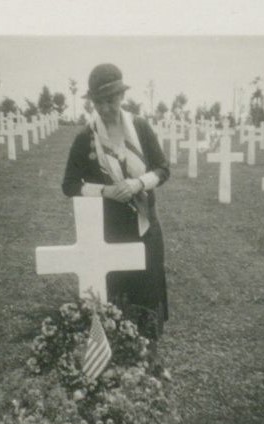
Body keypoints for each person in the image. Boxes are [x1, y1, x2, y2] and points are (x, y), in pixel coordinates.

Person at [62, 63, 170, 353]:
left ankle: (147, 349)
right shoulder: (85, 138)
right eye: (100, 102)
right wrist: (105, 191)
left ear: (122, 96)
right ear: (92, 102)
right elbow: (69, 185)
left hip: (144, 226)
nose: (107, 108)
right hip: (109, 231)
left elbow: (163, 169)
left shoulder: (141, 128)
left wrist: (137, 184)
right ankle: (119, 350)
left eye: (112, 100)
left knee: (146, 290)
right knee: (117, 295)